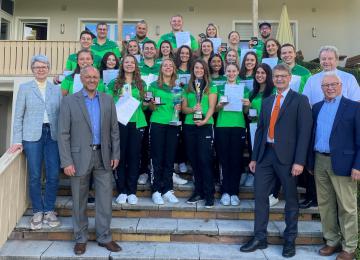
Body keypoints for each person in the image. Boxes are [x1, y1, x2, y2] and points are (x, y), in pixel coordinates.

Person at [240, 64, 313, 258]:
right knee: (260, 197)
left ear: (289, 78)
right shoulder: (267, 101)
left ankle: (290, 240)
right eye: (276, 76)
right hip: (265, 156)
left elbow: (304, 133)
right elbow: (261, 130)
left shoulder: (300, 100)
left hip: (289, 160)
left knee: (290, 199)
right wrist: (254, 157)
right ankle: (260, 237)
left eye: (283, 76)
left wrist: (300, 162)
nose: (279, 79)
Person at [58, 66, 120, 255]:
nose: (92, 80)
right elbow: (63, 133)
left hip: (104, 156)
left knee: (104, 199)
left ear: (99, 79)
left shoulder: (108, 100)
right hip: (77, 158)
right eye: (89, 77)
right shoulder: (69, 101)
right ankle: (80, 238)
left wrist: (115, 154)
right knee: (79, 200)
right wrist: (66, 161)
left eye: (95, 77)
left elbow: (114, 130)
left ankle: (104, 237)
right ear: (82, 79)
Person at [307, 72, 360, 260]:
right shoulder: (317, 107)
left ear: (341, 85)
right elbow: (312, 135)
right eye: (325, 85)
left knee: (347, 206)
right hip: (320, 160)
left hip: (344, 163)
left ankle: (349, 246)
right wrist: (310, 162)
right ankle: (332, 240)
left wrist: (358, 166)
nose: (329, 88)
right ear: (321, 88)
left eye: (333, 84)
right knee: (325, 204)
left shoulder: (354, 107)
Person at [9, 54, 62, 230]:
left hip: (52, 135)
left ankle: (49, 210)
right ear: (32, 69)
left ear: (48, 69)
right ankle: (37, 211)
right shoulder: (25, 88)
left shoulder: (56, 89)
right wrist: (17, 140)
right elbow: (18, 116)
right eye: (37, 67)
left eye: (44, 66)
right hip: (31, 136)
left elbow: (61, 114)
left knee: (53, 174)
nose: (41, 69)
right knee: (34, 175)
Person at [107, 55, 147, 205]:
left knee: (134, 157)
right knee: (120, 156)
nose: (129, 64)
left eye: (132, 62)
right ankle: (121, 190)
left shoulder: (141, 83)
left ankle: (132, 191)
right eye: (126, 62)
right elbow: (109, 103)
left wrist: (148, 103)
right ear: (122, 65)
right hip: (119, 123)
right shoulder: (114, 83)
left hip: (137, 123)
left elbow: (144, 105)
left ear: (136, 66)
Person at [280, 43, 315, 209]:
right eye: (284, 53)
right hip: (283, 118)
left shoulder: (304, 72)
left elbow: (309, 94)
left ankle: (309, 195)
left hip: (300, 114)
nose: (287, 55)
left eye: (289, 52)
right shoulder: (278, 70)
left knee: (303, 152)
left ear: (295, 54)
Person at [182, 59, 217, 208]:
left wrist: (204, 120)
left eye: (201, 68)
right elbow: (184, 109)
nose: (199, 70)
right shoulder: (187, 88)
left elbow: (211, 107)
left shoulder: (212, 87)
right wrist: (193, 109)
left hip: (205, 126)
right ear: (193, 70)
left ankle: (209, 194)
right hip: (190, 126)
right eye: (196, 67)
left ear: (205, 70)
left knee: (205, 160)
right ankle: (198, 192)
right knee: (194, 161)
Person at [215, 62, 250, 206]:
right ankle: (225, 192)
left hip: (238, 126)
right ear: (225, 73)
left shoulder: (244, 88)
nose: (231, 73)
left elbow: (246, 112)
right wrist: (219, 106)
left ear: (237, 72)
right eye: (228, 71)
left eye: (233, 71)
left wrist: (247, 105)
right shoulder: (219, 87)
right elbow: (215, 110)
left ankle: (234, 192)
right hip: (222, 125)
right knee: (223, 159)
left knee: (236, 160)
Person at [148, 58, 182, 205]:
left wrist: (179, 108)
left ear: (174, 69)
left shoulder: (178, 87)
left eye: (171, 66)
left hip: (173, 124)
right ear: (161, 69)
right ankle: (156, 190)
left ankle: (168, 189)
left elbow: (179, 106)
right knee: (157, 157)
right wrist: (152, 104)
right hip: (157, 123)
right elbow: (148, 107)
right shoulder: (153, 85)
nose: (168, 67)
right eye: (165, 65)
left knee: (169, 158)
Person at [247, 64, 278, 205]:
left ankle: (273, 194)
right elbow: (247, 113)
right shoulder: (252, 92)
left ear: (268, 75)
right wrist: (248, 108)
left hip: (270, 131)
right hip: (254, 129)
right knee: (257, 160)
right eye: (257, 73)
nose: (259, 75)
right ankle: (261, 192)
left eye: (263, 73)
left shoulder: (274, 92)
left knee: (270, 162)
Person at [137, 40, 161, 185]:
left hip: (158, 108)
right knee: (143, 141)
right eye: (146, 48)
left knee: (156, 143)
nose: (149, 50)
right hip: (141, 107)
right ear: (142, 50)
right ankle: (143, 171)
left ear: (156, 50)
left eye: (152, 48)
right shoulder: (137, 67)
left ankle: (158, 170)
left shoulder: (160, 66)